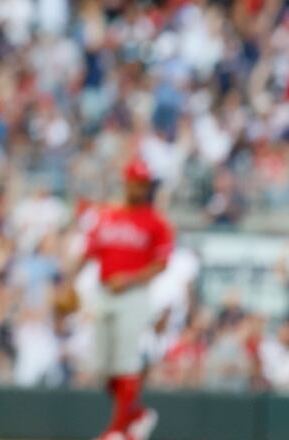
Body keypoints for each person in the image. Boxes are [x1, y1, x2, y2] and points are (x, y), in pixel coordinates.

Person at [82, 158, 173, 440]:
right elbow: (90, 251)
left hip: (134, 295)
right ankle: (136, 414)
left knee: (127, 362)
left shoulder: (156, 222)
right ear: (127, 183)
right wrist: (67, 284)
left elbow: (161, 264)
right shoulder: (108, 215)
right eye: (136, 182)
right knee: (105, 367)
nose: (140, 188)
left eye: (144, 184)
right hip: (105, 292)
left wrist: (130, 279)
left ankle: (117, 430)